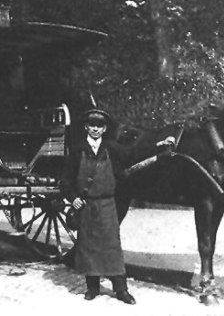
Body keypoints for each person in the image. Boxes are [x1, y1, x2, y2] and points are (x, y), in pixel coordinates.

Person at [61, 108, 136, 304]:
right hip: (86, 205)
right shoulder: (77, 150)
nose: (95, 129)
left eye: (99, 126)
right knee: (88, 247)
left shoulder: (113, 149)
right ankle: (92, 288)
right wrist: (73, 197)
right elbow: (66, 180)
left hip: (107, 204)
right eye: (92, 125)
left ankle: (121, 290)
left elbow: (133, 157)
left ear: (104, 129)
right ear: (86, 127)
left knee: (112, 247)